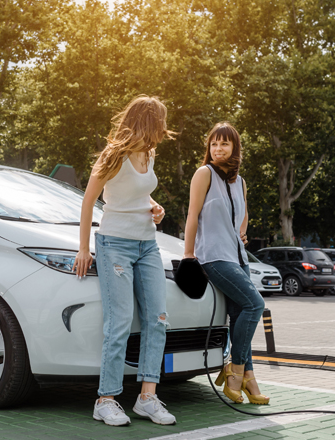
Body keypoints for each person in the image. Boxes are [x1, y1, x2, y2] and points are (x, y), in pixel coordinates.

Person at [74, 95, 177, 426]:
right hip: (114, 243)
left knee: (157, 319)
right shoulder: (113, 154)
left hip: (148, 243)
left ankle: (147, 397)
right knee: (119, 322)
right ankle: (105, 400)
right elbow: (90, 201)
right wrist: (84, 248)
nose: (164, 128)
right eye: (160, 121)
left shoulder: (149, 152)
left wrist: (155, 206)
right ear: (149, 121)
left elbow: (137, 192)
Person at [183, 122, 270, 405]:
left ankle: (247, 377)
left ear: (235, 148)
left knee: (241, 319)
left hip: (238, 257)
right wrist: (188, 253)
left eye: (224, 144)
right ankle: (236, 370)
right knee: (255, 304)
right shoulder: (203, 173)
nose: (218, 149)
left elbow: (242, 215)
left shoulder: (240, 181)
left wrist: (241, 232)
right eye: (214, 144)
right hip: (213, 255)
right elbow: (192, 215)